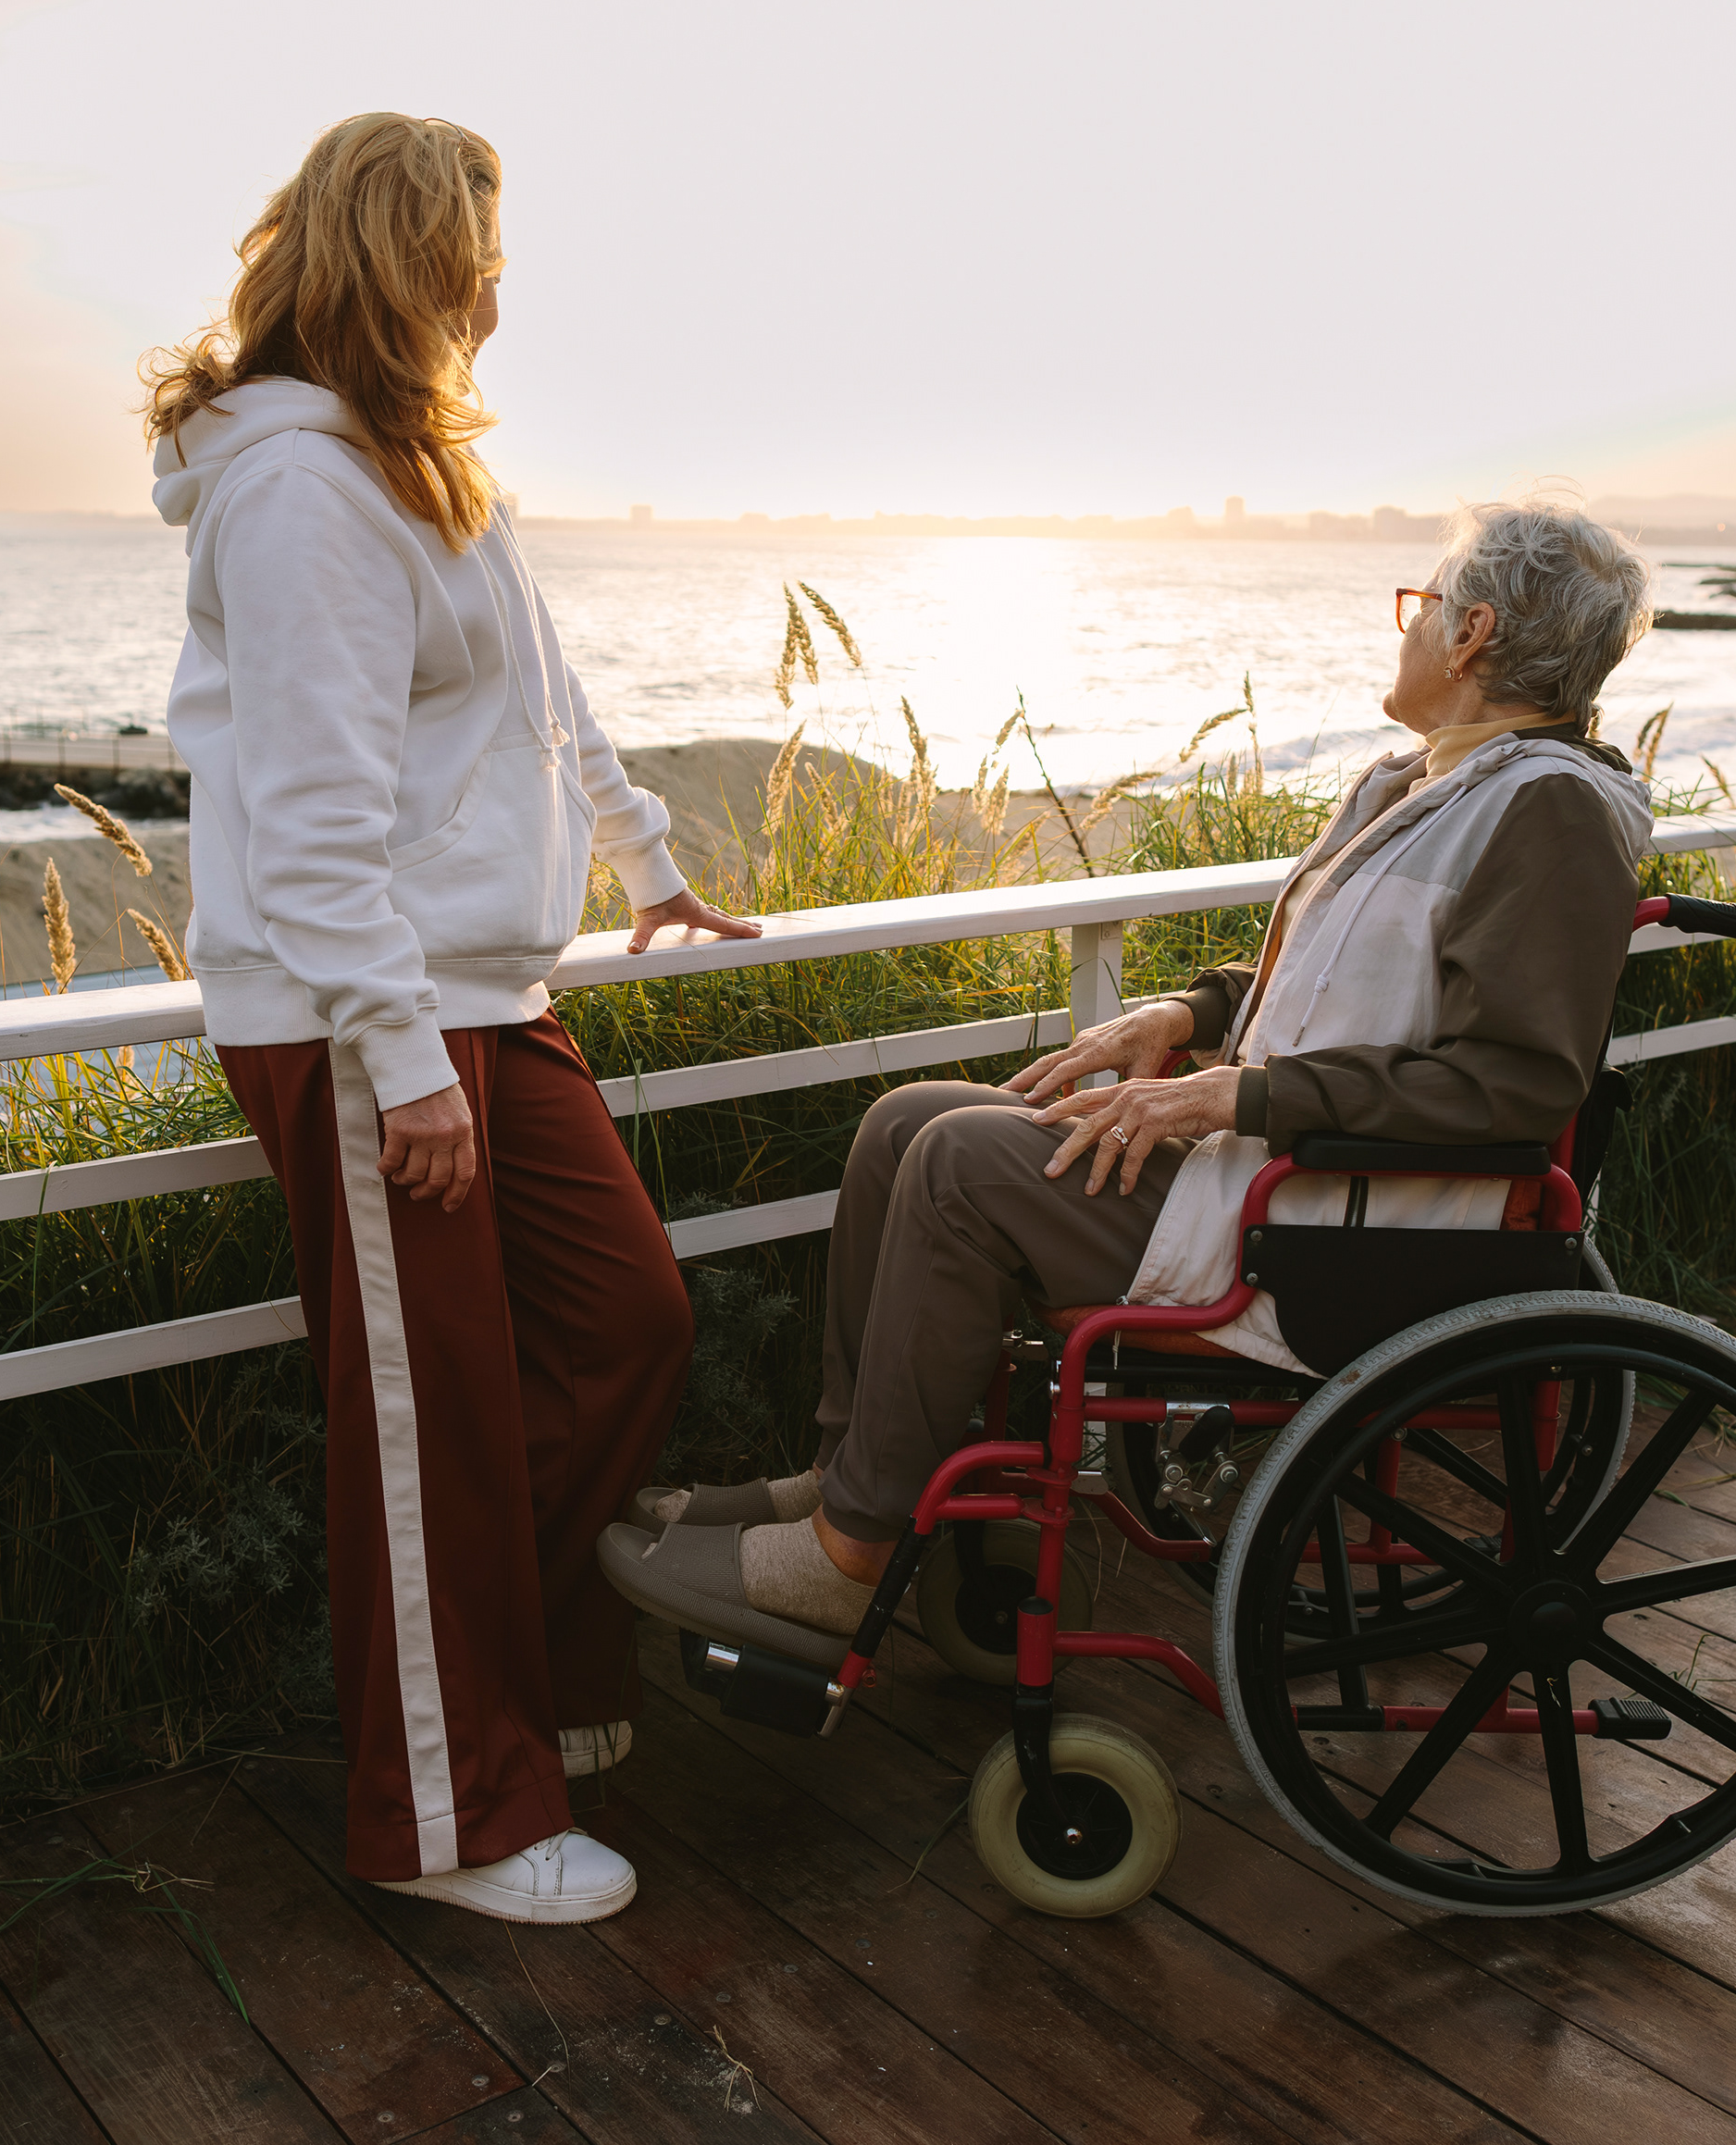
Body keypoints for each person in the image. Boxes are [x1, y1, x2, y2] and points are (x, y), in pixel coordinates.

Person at [601, 501, 1656, 1663]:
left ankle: (849, 1560)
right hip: (1276, 1173)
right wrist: (1186, 1015)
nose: (1402, 629)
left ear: (1471, 636)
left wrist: (1228, 1096)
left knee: (960, 1164)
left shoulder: (1547, 809)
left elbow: (1512, 1084)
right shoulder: (1419, 781)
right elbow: (1329, 976)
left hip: (1330, 1228)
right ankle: (845, 1478)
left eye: (1420, 606)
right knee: (907, 1122)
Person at [154, 114, 757, 1924]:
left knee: (624, 1320)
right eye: (481, 250)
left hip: (489, 987)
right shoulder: (296, 487)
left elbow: (542, 693)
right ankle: (450, 1820)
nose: (502, 284)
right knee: (432, 1426)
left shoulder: (419, 463)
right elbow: (311, 813)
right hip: (370, 1015)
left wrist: (643, 857)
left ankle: (523, 1692)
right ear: (413, 262)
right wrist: (397, 1053)